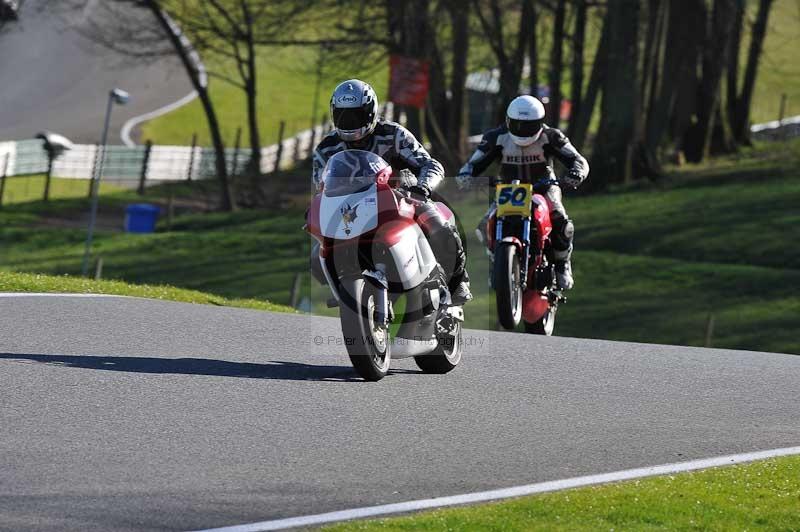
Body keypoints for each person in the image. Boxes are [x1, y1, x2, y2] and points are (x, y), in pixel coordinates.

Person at [311, 79, 472, 304]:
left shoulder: (393, 134)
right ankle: (346, 287)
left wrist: (422, 187)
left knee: (438, 224)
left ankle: (457, 281)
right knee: (316, 255)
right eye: (343, 116)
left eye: (356, 115)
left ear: (370, 112)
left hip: (402, 199)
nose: (349, 123)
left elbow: (431, 165)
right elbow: (320, 188)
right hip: (351, 211)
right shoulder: (326, 148)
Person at [456, 95, 589, 290]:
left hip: (544, 187)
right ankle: (497, 262)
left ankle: (562, 264)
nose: (523, 131)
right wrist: (466, 177)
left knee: (561, 221)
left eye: (529, 125)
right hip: (508, 189)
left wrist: (576, 173)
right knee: (484, 226)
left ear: (540, 122)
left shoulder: (552, 136)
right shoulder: (495, 137)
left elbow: (578, 160)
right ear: (508, 120)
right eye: (518, 124)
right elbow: (472, 164)